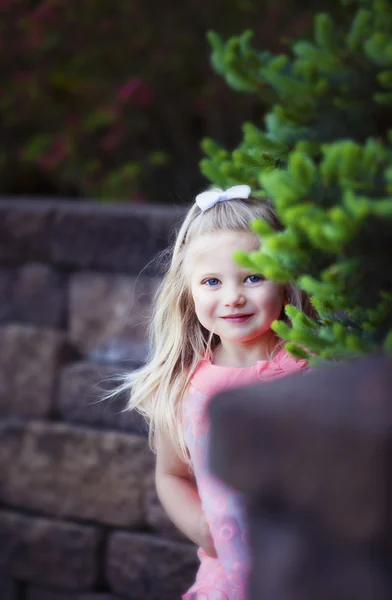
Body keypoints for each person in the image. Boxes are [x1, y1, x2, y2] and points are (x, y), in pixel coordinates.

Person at [116, 185, 313, 599]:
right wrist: (201, 528)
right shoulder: (186, 386)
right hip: (229, 579)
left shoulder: (312, 366)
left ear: (285, 278)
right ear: (188, 291)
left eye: (254, 276)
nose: (233, 297)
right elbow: (171, 475)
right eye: (211, 281)